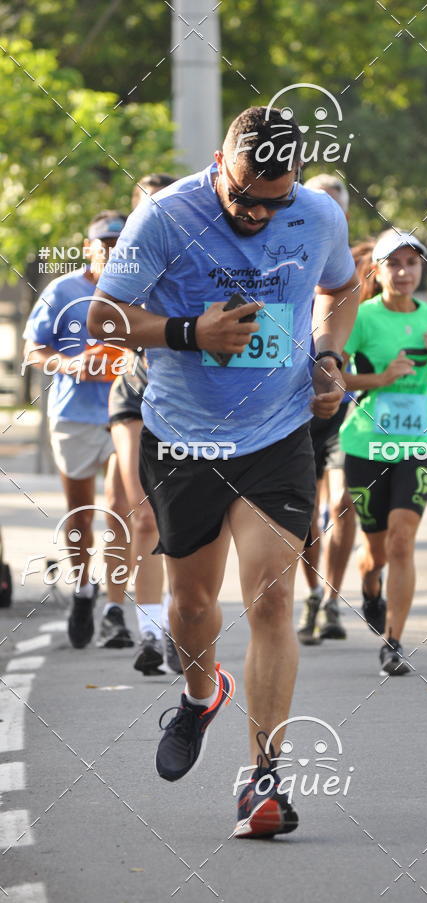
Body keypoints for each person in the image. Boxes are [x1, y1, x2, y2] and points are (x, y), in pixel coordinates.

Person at [89, 106, 359, 838]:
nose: (254, 213)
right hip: (182, 440)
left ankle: (262, 780)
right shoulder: (166, 217)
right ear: (219, 162)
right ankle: (200, 693)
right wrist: (188, 332)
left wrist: (329, 356)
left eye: (271, 200)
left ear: (294, 182)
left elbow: (342, 290)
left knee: (271, 600)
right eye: (241, 196)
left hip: (276, 437)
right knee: (191, 609)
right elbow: (104, 319)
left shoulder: (319, 217)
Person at [23, 212, 135, 650]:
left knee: (122, 511)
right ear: (88, 247)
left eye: (120, 242)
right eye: (104, 243)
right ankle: (85, 588)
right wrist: (69, 363)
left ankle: (114, 610)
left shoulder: (140, 289)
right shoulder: (64, 290)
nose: (111, 249)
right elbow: (34, 351)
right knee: (80, 515)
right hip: (74, 414)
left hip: (124, 413)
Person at [340, 229, 427, 676]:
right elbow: (334, 376)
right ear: (378, 270)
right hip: (366, 444)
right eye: (395, 264)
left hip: (417, 444)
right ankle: (369, 586)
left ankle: (395, 643)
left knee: (403, 540)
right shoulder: (361, 317)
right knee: (377, 551)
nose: (404, 273)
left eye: (412, 264)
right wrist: (379, 379)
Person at [107, 173, 179, 676]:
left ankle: (181, 623)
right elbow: (102, 320)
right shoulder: (125, 262)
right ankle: (149, 633)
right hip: (134, 392)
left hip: (186, 399)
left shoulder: (200, 255)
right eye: (145, 204)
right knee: (145, 512)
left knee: (191, 522)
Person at [296, 173, 356, 644]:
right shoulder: (287, 261)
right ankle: (312, 592)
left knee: (341, 503)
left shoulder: (365, 270)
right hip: (299, 408)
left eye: (332, 205)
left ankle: (334, 598)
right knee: (305, 514)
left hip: (350, 411)